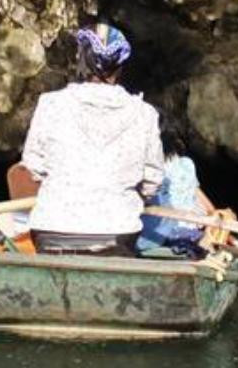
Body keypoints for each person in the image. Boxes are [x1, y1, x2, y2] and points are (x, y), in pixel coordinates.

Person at [10, 22, 164, 256]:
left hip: (50, 231)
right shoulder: (145, 114)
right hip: (117, 234)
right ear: (120, 67)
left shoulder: (50, 104)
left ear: (81, 60)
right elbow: (152, 182)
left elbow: (33, 167)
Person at [136, 124, 218, 258]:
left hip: (159, 234)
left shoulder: (150, 167)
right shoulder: (187, 164)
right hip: (187, 230)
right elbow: (209, 208)